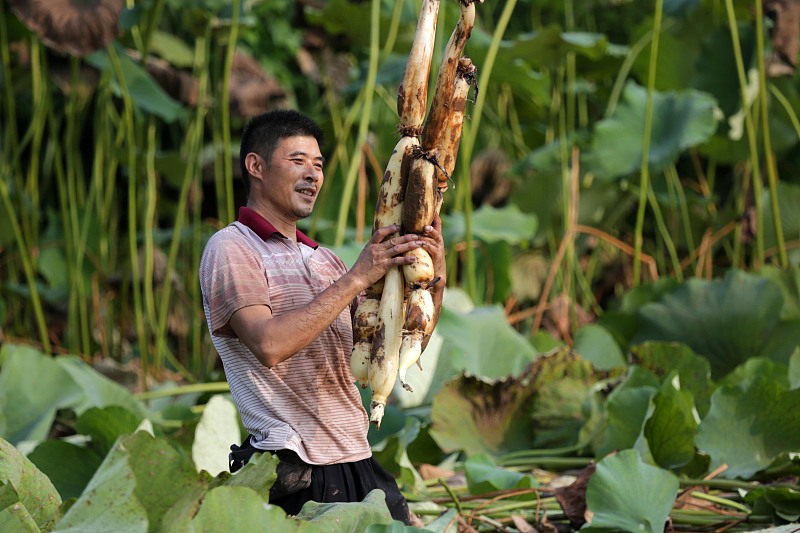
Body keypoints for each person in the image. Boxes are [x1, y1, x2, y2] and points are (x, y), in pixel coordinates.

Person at [199, 109, 445, 524]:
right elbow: (268, 345)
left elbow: (393, 342)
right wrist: (357, 277)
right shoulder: (231, 248)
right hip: (293, 466)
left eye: (318, 165)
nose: (313, 175)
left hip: (356, 455)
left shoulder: (325, 260)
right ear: (255, 166)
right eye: (297, 161)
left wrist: (434, 275)